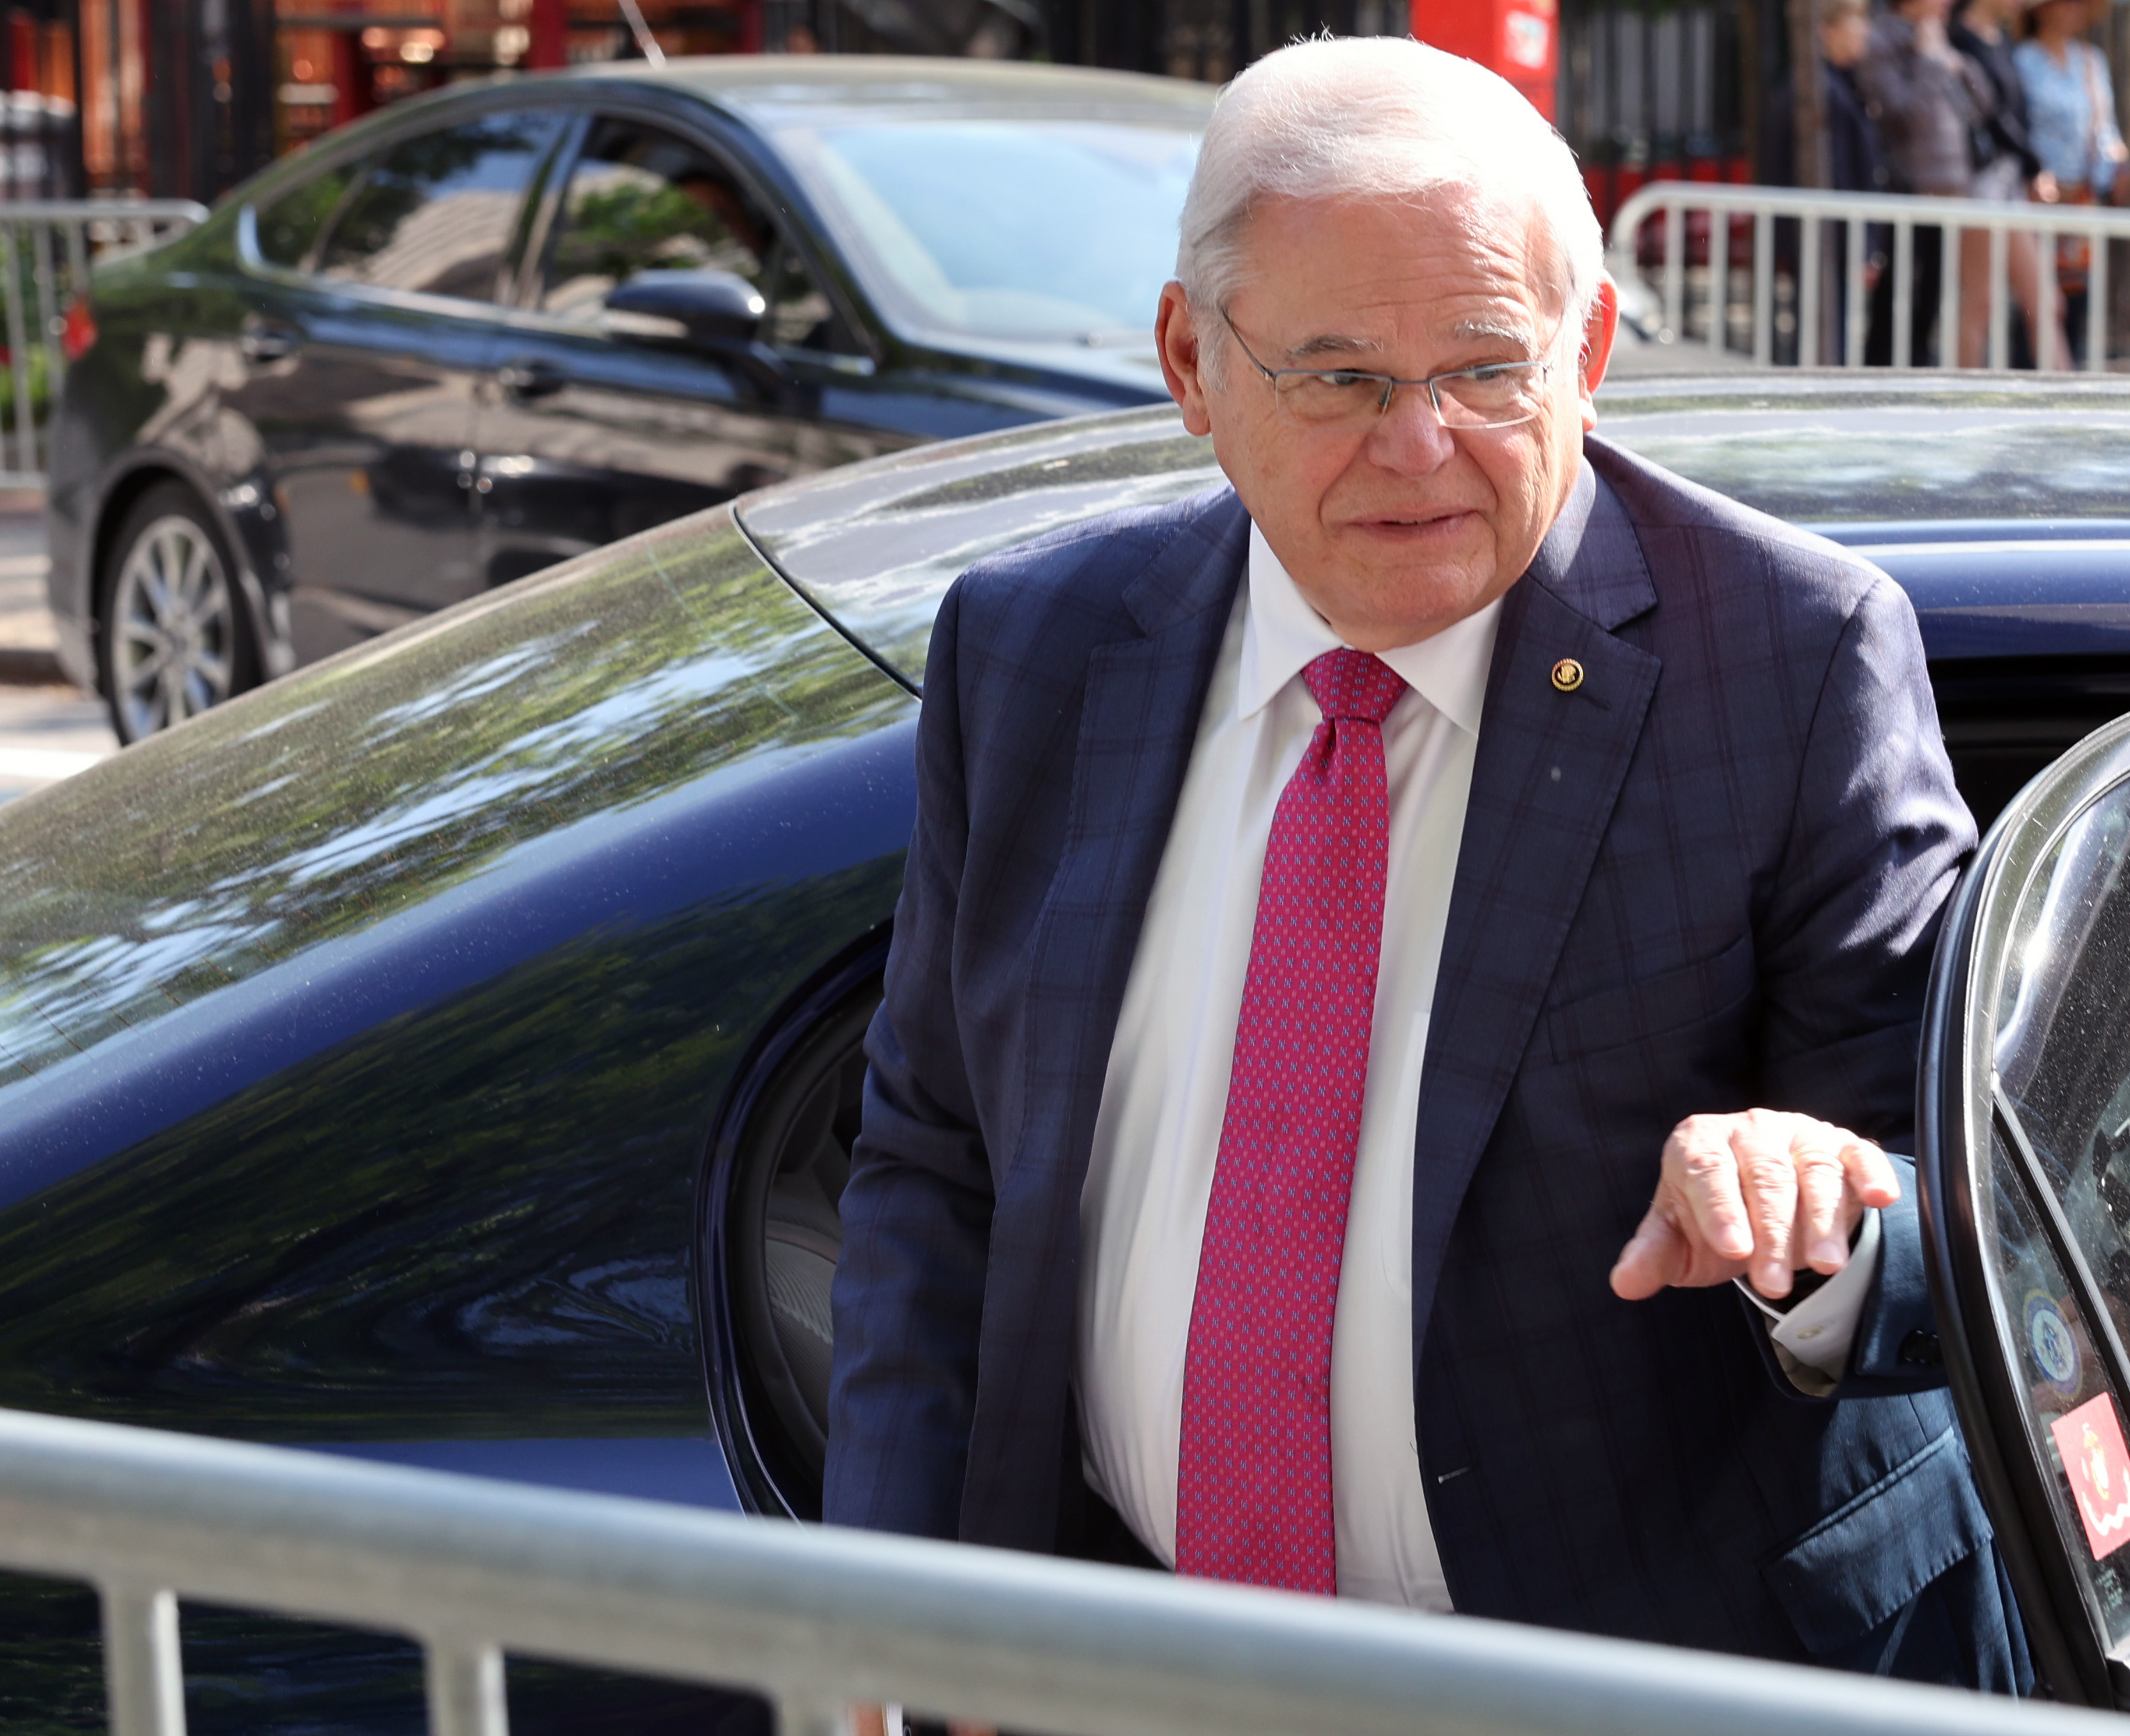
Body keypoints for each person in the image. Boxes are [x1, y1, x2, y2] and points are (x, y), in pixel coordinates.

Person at [825, 34, 2029, 1691]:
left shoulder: (1791, 659)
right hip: (1128, 1670)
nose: (1421, 446)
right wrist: (892, 1626)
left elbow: (1945, 1186)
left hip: (1629, 1688)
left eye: (1484, 366)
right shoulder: (1032, 653)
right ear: (1191, 363)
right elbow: (935, 1162)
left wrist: (1811, 1197)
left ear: (1590, 346)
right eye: (1338, 380)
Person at [1859, 0, 1991, 364]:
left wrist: (1951, 60)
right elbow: (1902, 113)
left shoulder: (1935, 37)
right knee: (1898, 296)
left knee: (1931, 296)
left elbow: (1982, 105)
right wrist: (1931, 62)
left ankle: (1918, 373)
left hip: (1949, 190)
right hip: (1907, 188)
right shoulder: (1882, 41)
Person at [1762, 0, 1894, 364]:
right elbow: (1837, 177)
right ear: (1826, 29)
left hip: (1832, 243)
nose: (1865, 32)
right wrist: (1862, 248)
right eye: (1856, 22)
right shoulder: (1818, 92)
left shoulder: (1837, 84)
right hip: (1830, 243)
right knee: (1823, 338)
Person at [1954, 0, 2070, 366]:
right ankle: (1962, 402)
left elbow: (2014, 116)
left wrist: (2032, 169)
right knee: (1980, 302)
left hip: (2009, 183)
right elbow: (1990, 117)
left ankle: (2066, 407)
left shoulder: (2000, 38)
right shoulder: (1958, 38)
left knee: (2046, 303)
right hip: (1980, 185)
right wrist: (2036, 166)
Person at [2015, 0, 2130, 358]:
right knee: (2034, 303)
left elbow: (2104, 128)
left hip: (2081, 200)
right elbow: (2016, 126)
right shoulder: (2023, 60)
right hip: (2036, 201)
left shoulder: (2090, 62)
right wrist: (2033, 174)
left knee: (2076, 301)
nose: (2074, 10)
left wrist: (2118, 160)